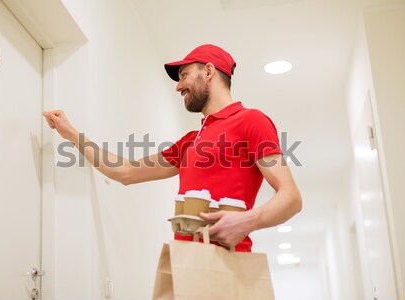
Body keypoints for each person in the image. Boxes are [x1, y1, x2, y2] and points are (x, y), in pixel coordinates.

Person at [43, 44, 302, 252]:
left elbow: (291, 198)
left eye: (184, 75)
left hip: (228, 265)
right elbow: (125, 171)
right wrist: (73, 135)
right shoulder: (191, 141)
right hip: (185, 263)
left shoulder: (251, 121)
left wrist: (248, 221)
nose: (178, 86)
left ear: (209, 72)